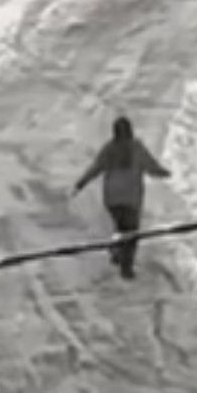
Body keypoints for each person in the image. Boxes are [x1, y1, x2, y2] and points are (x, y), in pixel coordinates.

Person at [72, 114, 170, 280]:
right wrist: (164, 173)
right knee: (131, 233)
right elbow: (151, 166)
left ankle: (117, 250)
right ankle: (126, 268)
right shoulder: (136, 147)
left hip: (113, 198)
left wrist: (80, 184)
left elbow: (95, 169)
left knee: (121, 227)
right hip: (131, 198)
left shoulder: (109, 149)